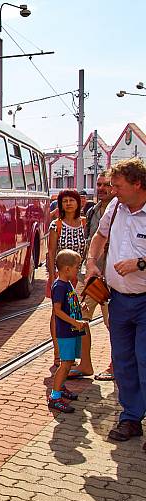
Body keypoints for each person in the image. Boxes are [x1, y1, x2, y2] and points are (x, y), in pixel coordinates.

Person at [86, 158, 146, 444]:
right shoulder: (115, 207)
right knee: (123, 362)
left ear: (137, 184)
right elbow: (100, 236)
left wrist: (140, 263)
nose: (113, 191)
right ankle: (131, 418)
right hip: (119, 300)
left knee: (145, 360)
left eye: (118, 186)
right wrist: (91, 263)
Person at [47, 189, 92, 375]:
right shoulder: (55, 225)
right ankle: (58, 352)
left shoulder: (85, 223)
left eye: (71, 200)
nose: (68, 204)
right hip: (62, 276)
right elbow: (51, 252)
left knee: (77, 313)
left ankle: (74, 355)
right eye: (64, 201)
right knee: (57, 313)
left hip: (79, 275)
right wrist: (52, 275)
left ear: (78, 203)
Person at [48, 249, 89, 413]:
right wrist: (75, 322)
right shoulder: (59, 286)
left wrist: (80, 307)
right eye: (76, 267)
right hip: (65, 331)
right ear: (67, 269)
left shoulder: (68, 284)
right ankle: (55, 396)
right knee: (65, 364)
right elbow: (57, 310)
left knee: (69, 361)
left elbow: (69, 304)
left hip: (71, 330)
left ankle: (61, 387)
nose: (78, 270)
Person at [84, 172, 114, 381]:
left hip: (113, 279)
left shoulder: (120, 211)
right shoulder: (93, 210)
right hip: (93, 278)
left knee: (113, 325)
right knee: (80, 319)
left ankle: (114, 365)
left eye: (106, 185)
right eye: (99, 184)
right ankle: (85, 363)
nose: (101, 188)